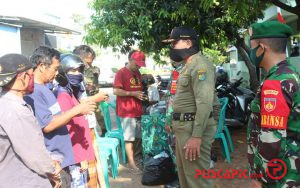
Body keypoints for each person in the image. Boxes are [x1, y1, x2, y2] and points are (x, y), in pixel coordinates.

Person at [24, 46, 96, 187]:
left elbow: (57, 116)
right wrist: (76, 110)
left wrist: (78, 111)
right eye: (55, 69)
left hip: (63, 159)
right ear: (42, 66)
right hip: (54, 161)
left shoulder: (46, 88)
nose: (57, 73)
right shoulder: (35, 92)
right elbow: (48, 125)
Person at [247, 21, 300, 188]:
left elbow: (271, 141)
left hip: (280, 178)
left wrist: (261, 179)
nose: (251, 52)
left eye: (252, 47)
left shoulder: (276, 83)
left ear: (262, 48)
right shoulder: (289, 74)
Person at [162, 26, 216, 188]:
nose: (171, 48)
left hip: (193, 131)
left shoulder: (200, 66)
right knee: (186, 177)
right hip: (184, 129)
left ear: (187, 43)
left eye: (174, 43)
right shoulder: (188, 66)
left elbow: (205, 103)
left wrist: (198, 136)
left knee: (197, 181)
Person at [0, 54, 59, 187]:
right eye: (31, 75)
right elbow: (34, 153)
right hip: (23, 180)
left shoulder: (4, 103)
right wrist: (52, 170)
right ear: (22, 77)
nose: (33, 79)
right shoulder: (16, 110)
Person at [54, 54, 97, 187]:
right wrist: (79, 158)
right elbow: (67, 130)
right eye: (72, 71)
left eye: (79, 71)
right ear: (62, 72)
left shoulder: (71, 91)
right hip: (74, 157)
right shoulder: (62, 95)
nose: (77, 74)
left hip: (77, 155)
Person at [73, 45, 108, 187]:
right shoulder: (73, 80)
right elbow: (76, 105)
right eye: (86, 62)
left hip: (90, 118)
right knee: (87, 165)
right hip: (82, 123)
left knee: (93, 162)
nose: (88, 65)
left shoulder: (92, 70)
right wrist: (96, 98)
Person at [113, 50, 146, 172]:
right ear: (130, 60)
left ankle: (137, 159)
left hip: (137, 109)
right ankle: (131, 164)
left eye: (140, 65)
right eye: (137, 64)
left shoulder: (137, 73)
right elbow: (116, 91)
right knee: (129, 138)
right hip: (127, 111)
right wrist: (132, 93)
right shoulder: (121, 73)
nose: (138, 66)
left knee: (138, 136)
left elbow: (139, 90)